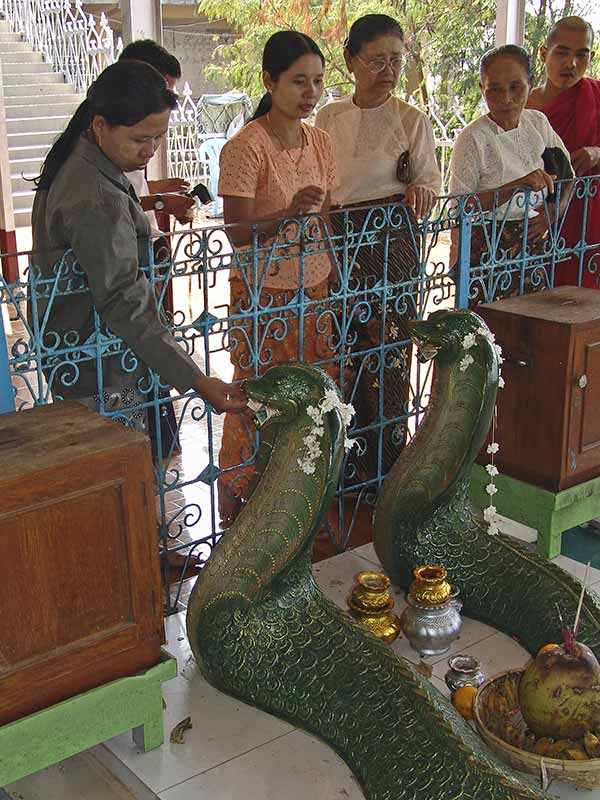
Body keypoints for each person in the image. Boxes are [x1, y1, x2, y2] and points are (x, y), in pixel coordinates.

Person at [30, 61, 247, 425]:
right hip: (101, 369)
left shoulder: (80, 159)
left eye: (158, 137)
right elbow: (123, 298)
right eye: (139, 139)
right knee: (121, 445)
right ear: (101, 125)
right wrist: (195, 379)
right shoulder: (96, 195)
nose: (150, 150)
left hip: (80, 357)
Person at [217, 30, 337, 526]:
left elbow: (327, 218)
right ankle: (238, 497)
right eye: (298, 81)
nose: (310, 93)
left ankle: (298, 493)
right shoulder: (247, 147)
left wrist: (335, 276)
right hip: (265, 292)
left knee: (314, 388)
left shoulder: (321, 142)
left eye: (318, 82)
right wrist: (286, 213)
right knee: (258, 391)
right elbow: (236, 232)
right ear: (270, 81)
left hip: (316, 286)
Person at [315, 13, 441, 478]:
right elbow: (321, 183)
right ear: (351, 60)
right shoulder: (329, 117)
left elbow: (430, 181)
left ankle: (386, 464)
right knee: (345, 344)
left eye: (396, 61)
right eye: (376, 61)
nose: (388, 71)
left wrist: (421, 190)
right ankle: (345, 464)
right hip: (341, 236)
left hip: (393, 238)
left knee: (391, 348)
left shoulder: (411, 119)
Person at [449, 44, 573, 301]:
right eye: (494, 89)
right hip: (487, 247)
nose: (506, 98)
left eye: (515, 87)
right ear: (482, 89)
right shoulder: (473, 138)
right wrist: (516, 187)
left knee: (532, 315)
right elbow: (460, 207)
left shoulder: (537, 123)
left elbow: (567, 172)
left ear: (531, 84)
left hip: (533, 242)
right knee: (490, 319)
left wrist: (554, 210)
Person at [528, 16, 600, 288]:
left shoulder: (595, 96)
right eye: (562, 53)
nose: (571, 64)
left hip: (587, 219)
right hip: (533, 218)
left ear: (591, 58)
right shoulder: (520, 104)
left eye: (581, 55)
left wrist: (596, 153)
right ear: (544, 53)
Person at [118, 39, 195, 232]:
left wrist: (159, 188)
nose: (150, 151)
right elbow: (108, 204)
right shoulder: (107, 137)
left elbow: (126, 188)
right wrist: (159, 202)